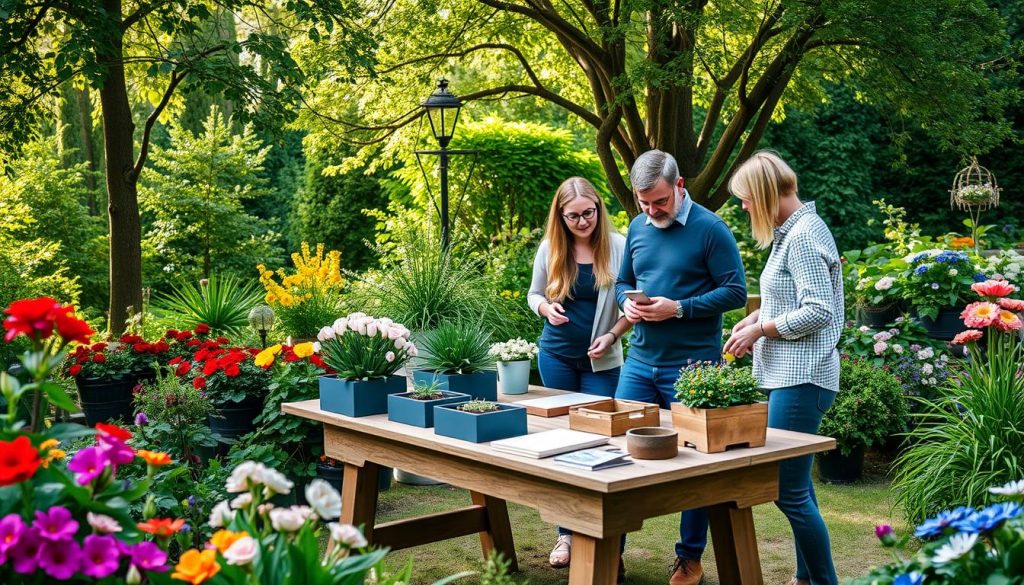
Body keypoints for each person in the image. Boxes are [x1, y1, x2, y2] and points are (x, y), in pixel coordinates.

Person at [615, 149, 747, 585]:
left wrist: (680, 309)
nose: (652, 211)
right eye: (644, 202)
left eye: (660, 201)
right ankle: (609, 551)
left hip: (692, 368)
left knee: (695, 465)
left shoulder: (711, 229)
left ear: (679, 185)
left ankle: (689, 557)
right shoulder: (637, 227)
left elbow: (735, 292)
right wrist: (626, 306)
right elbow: (621, 283)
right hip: (638, 364)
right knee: (616, 454)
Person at [723, 151, 843, 585]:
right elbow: (794, 298)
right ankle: (804, 578)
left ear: (764, 193)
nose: (743, 206)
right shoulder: (793, 231)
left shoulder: (804, 234)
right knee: (800, 490)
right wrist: (756, 318)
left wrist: (763, 330)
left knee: (787, 491)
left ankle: (822, 581)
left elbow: (818, 311)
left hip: (802, 377)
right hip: (791, 376)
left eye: (746, 198)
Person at [527, 176, 630, 574]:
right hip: (556, 357)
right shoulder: (552, 247)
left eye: (589, 213)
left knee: (604, 448)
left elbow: (629, 306)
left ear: (599, 210)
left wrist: (611, 336)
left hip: (602, 362)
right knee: (562, 445)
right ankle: (567, 534)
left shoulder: (618, 247)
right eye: (573, 216)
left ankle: (611, 548)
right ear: (561, 215)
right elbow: (535, 294)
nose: (582, 221)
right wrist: (545, 310)